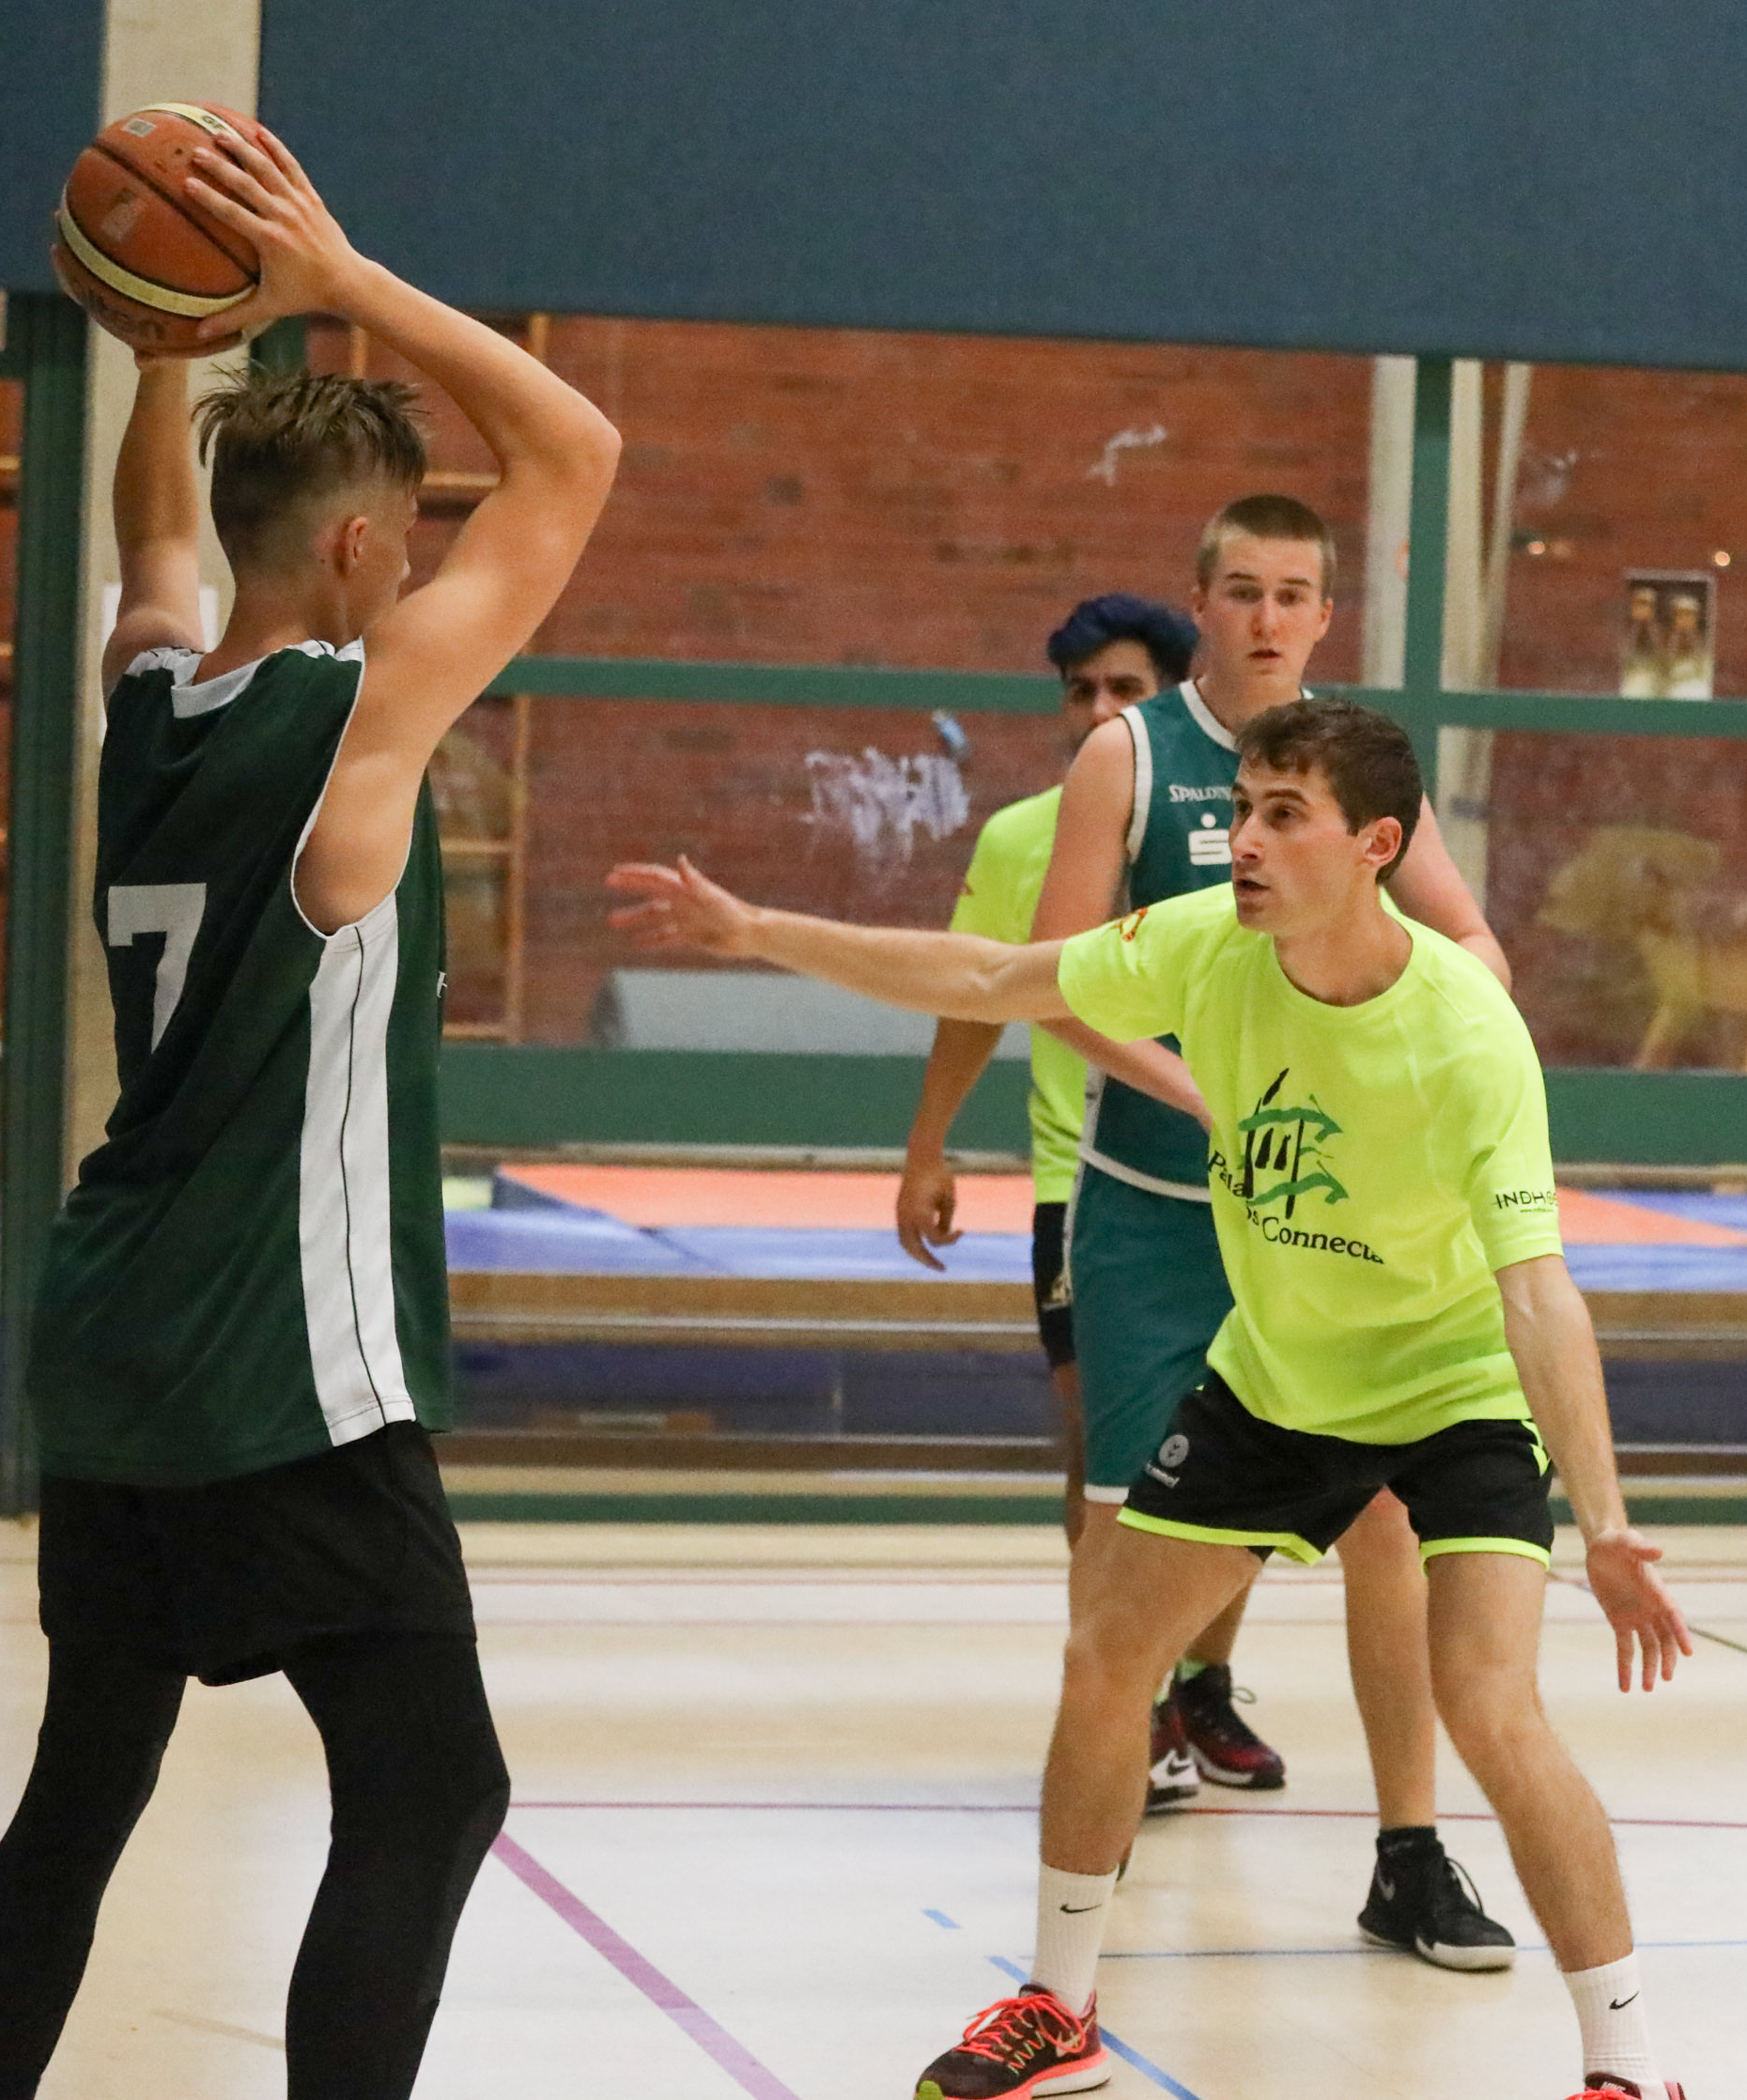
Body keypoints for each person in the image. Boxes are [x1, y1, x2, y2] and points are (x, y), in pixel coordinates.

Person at [607, 697, 1692, 2100]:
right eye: (1240, 810)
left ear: (1374, 846)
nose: (1243, 842)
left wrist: (1604, 1523)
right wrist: (759, 931)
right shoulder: (1200, 945)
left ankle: (1630, 2069)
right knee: (1107, 1658)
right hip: (1277, 1380)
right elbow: (989, 973)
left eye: (1283, 817)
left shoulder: (1466, 1032)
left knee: (1490, 1707)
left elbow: (1537, 1290)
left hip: (1452, 1389)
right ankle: (1058, 2011)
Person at [0, 128, 619, 2100]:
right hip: (281, 1366)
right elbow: (574, 455)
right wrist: (337, 276)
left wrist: (163, 357)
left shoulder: (144, 704)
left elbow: (158, 550)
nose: (414, 564)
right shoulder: (355, 724)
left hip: (114, 1335)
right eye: (402, 538)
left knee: (83, 1786)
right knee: (431, 1789)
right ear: (353, 554)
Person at [1027, 494, 1518, 1953]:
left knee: (1388, 1531)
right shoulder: (1130, 754)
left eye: (1293, 593)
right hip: (1156, 1211)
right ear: (1203, 601)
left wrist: (1440, 1047)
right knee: (1122, 1534)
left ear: (1323, 615)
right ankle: (1086, 1888)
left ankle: (1410, 1850)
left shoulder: (1352, 767)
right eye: (1242, 589)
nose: (1266, 617)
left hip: (1323, 1224)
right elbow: (1053, 973)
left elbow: (1471, 940)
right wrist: (1200, 1092)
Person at [898, 593, 1198, 1546]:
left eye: (1126, 689)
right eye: (1082, 691)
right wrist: (927, 1145)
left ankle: (1190, 1645)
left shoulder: (1225, 826)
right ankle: (1108, 1643)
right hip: (1079, 1186)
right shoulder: (1020, 838)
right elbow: (975, 995)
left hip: (1226, 1175)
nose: (1101, 709)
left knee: (1214, 1463)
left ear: (1171, 698)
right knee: (1103, 1448)